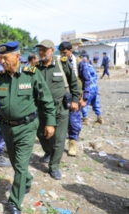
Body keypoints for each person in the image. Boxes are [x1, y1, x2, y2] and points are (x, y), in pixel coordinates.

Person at [0, 41, 56, 214]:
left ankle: (14, 203)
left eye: (5, 58)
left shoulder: (32, 75)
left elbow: (46, 100)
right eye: (0, 58)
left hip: (27, 127)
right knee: (16, 162)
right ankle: (26, 180)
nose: (1, 61)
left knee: (21, 165)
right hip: (7, 128)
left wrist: (50, 122)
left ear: (17, 57)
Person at [36, 39, 80, 180]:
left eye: (44, 50)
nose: (41, 52)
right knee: (42, 134)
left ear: (52, 50)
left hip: (60, 107)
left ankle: (54, 167)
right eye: (40, 50)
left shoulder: (62, 63)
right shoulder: (36, 67)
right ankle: (48, 152)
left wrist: (75, 101)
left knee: (59, 138)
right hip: (42, 109)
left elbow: (74, 83)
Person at [58, 42, 90, 157]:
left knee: (73, 121)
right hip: (62, 96)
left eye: (65, 52)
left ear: (71, 50)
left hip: (75, 96)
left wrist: (84, 98)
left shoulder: (79, 63)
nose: (63, 55)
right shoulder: (59, 62)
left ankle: (72, 143)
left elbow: (86, 80)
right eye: (61, 53)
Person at [82, 55, 104, 125]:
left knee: (85, 103)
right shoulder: (91, 67)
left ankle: (85, 119)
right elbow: (95, 77)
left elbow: (85, 78)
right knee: (95, 103)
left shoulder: (83, 67)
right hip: (94, 86)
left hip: (88, 87)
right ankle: (99, 117)